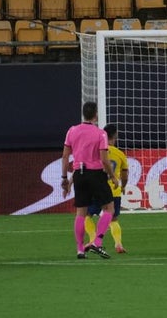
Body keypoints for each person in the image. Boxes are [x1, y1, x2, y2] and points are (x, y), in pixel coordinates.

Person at [61, 102, 120, 259]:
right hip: (96, 174)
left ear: (83, 113)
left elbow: (65, 156)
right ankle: (97, 243)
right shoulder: (101, 134)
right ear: (96, 115)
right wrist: (113, 176)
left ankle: (80, 250)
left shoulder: (72, 131)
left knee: (81, 213)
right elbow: (104, 160)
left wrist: (65, 179)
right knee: (109, 209)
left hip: (79, 174)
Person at [84, 123, 128, 252]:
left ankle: (92, 239)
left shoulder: (97, 151)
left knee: (87, 214)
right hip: (114, 191)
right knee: (113, 219)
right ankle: (118, 244)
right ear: (115, 136)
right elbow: (125, 175)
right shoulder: (120, 154)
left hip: (98, 189)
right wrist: (123, 186)